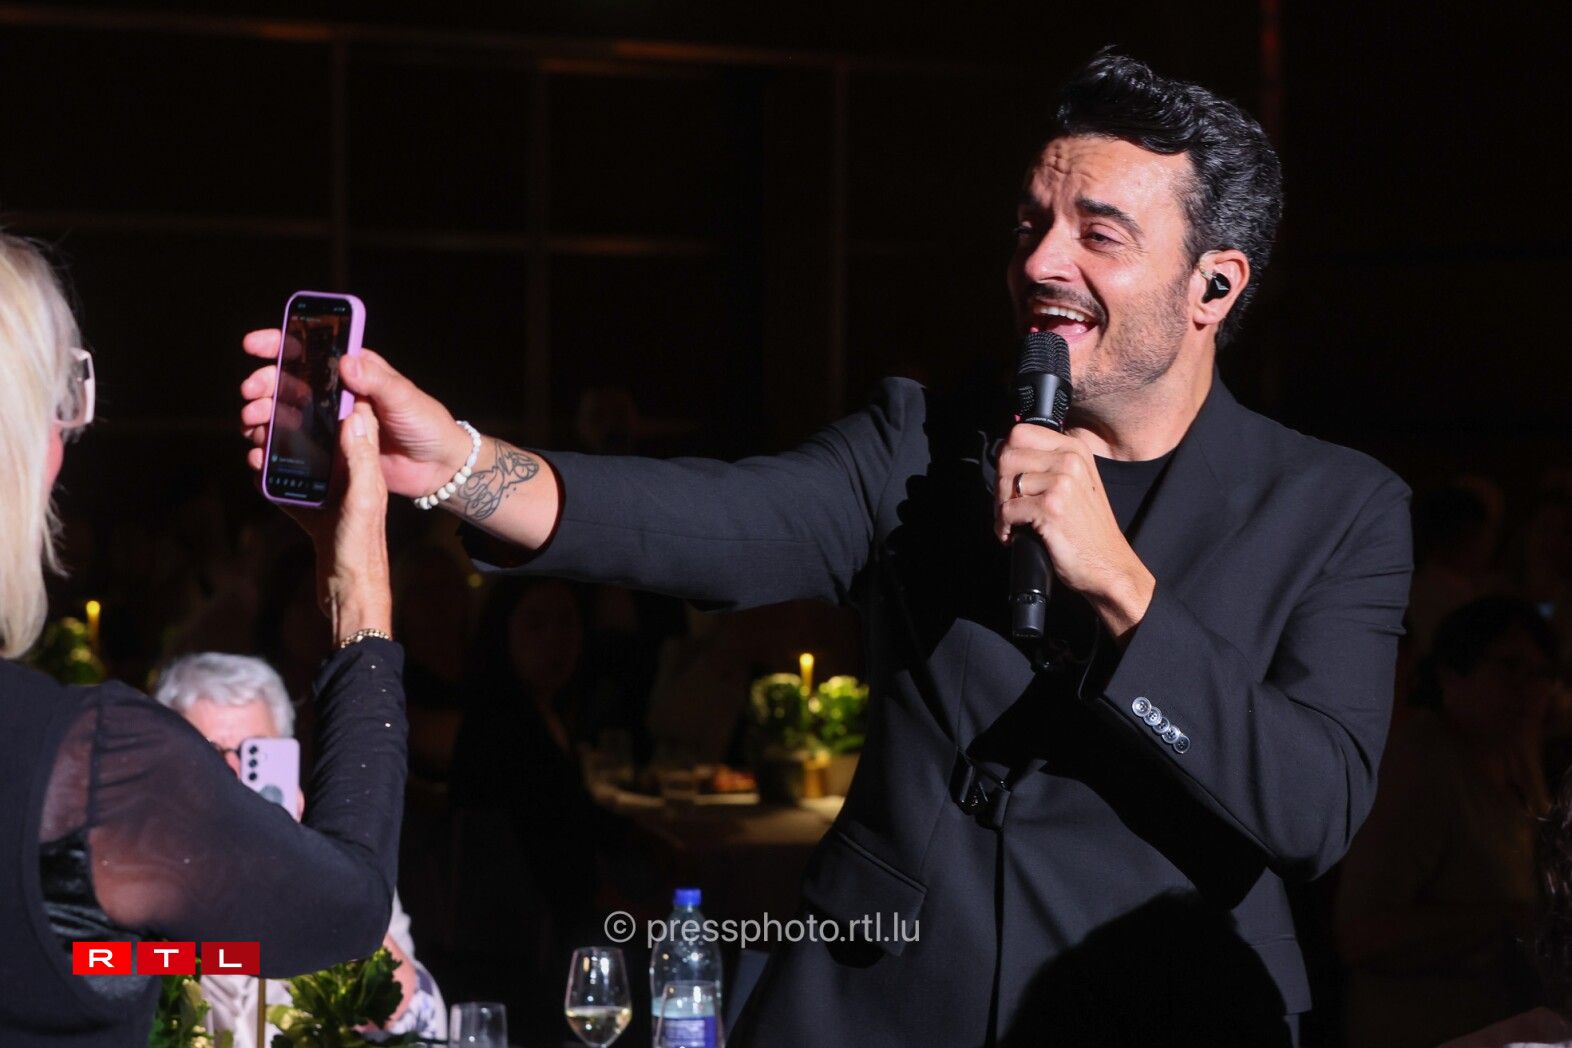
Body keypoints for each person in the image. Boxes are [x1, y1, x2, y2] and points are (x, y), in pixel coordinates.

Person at [239, 52, 1413, 1046]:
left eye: (1097, 233)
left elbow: (1313, 808)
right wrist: (453, 460)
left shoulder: (1335, 510)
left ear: (1214, 285)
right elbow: (702, 522)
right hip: (874, 1007)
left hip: (1163, 1015)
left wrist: (1120, 587)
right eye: (1031, 224)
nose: (1042, 261)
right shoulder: (926, 444)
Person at [0, 231, 407, 1046]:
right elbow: (350, 911)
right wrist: (358, 580)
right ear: (29, 444)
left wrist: (172, 953)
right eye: (62, 401)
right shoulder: (90, 771)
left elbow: (99, 956)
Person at [151, 652, 445, 1047]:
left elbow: (423, 1024)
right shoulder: (131, 872)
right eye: (210, 753)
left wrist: (313, 871)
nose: (234, 773)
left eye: (255, 754)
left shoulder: (338, 868)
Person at [1335, 597, 1558, 1048]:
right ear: (1451, 673)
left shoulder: (1515, 754)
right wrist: (1512, 920)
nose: (1528, 688)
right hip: (1425, 1029)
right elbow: (1361, 934)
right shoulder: (1422, 764)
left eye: (1540, 673)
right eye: (1508, 667)